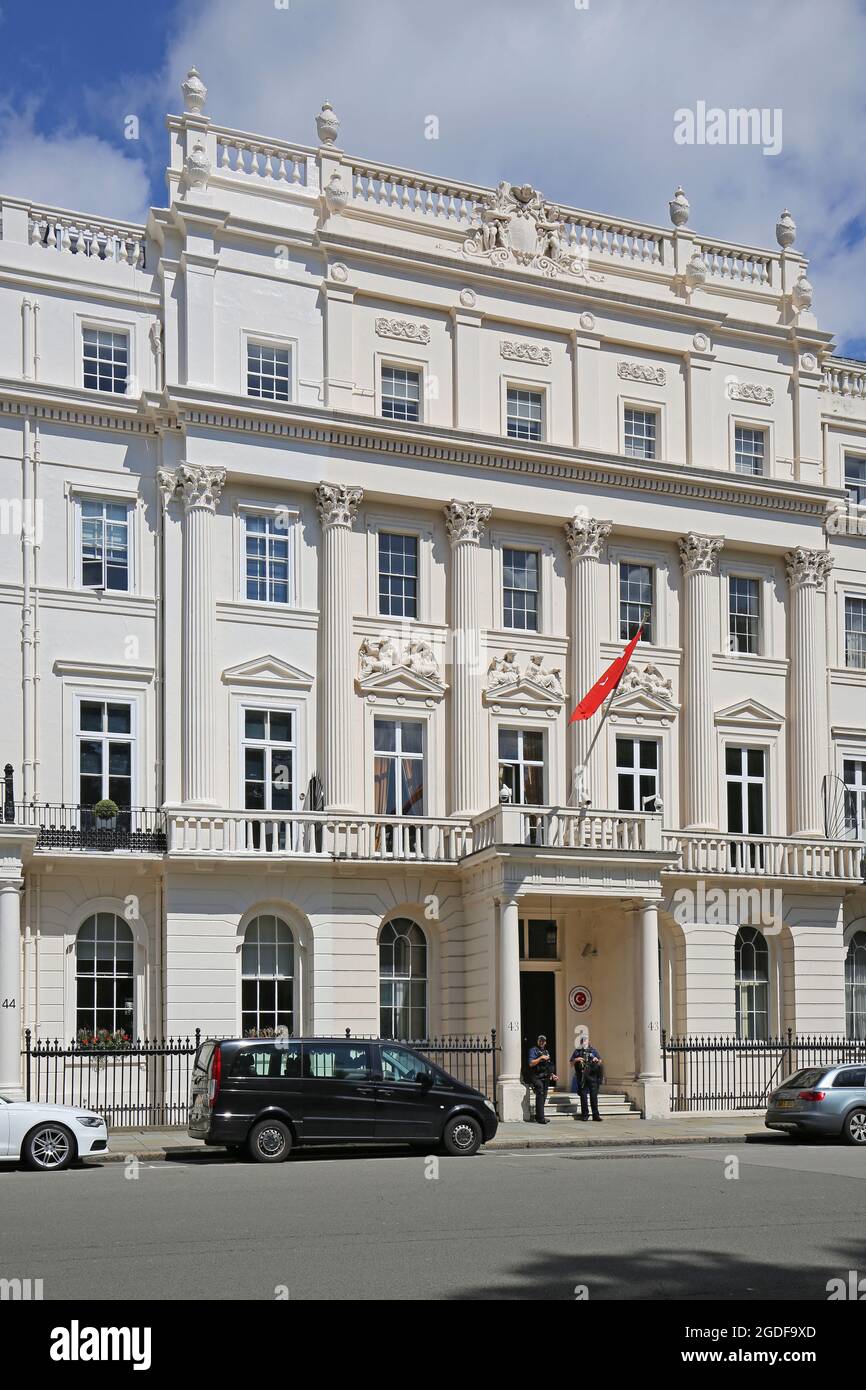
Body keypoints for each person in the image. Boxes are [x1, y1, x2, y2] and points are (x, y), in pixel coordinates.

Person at [570, 1036, 604, 1121]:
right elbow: (571, 1063)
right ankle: (585, 1114)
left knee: (594, 1096)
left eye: (586, 1040)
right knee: (583, 1097)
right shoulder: (577, 1051)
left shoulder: (593, 1050)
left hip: (592, 1076)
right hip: (582, 1077)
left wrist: (596, 1060)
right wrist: (577, 1059)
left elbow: (600, 1061)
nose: (584, 1042)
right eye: (583, 1040)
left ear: (589, 1041)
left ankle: (595, 1115)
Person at [527, 1034, 557, 1123]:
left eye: (543, 1041)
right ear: (537, 1041)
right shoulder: (533, 1050)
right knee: (540, 1094)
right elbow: (531, 1063)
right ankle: (540, 1118)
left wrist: (552, 1075)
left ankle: (540, 1115)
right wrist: (540, 1058)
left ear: (545, 1042)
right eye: (540, 1040)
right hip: (536, 1076)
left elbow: (548, 1065)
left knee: (543, 1097)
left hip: (545, 1077)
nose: (542, 1042)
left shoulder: (546, 1052)